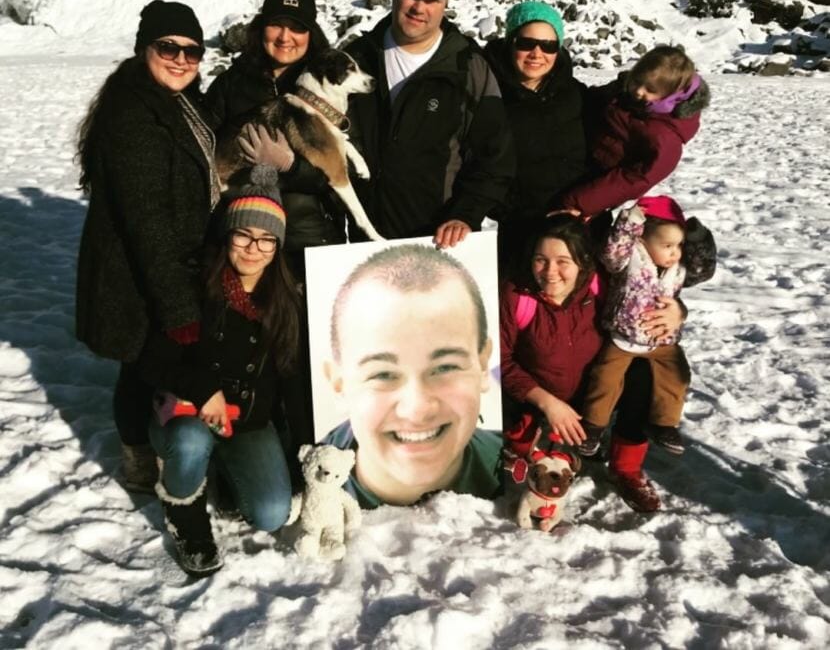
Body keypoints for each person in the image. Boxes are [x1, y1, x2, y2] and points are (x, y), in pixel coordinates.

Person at [75, 0, 218, 492]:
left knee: (145, 363)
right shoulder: (133, 116)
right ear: (144, 49)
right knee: (138, 366)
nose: (181, 59)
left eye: (192, 51)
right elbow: (147, 221)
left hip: (168, 261)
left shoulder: (179, 102)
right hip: (136, 269)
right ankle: (136, 453)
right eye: (168, 47)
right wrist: (180, 307)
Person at [139, 169, 300, 577]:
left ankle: (225, 473)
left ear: (277, 246)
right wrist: (204, 388)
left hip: (246, 421)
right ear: (228, 235)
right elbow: (152, 358)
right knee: (191, 443)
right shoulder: (196, 287)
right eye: (243, 235)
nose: (253, 248)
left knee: (270, 514)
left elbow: (290, 377)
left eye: (266, 239)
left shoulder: (284, 300)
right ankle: (186, 522)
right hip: (186, 413)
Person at [500, 215, 686, 513]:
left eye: (563, 261)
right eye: (540, 260)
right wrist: (547, 403)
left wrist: (678, 311)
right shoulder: (515, 293)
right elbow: (499, 361)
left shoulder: (604, 284)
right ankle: (521, 441)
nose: (550, 272)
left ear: (583, 263)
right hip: (536, 393)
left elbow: (659, 286)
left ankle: (626, 468)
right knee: (498, 391)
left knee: (642, 371)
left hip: (594, 392)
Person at [343, 0, 515, 247]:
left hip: (435, 243)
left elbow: (495, 158)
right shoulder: (356, 59)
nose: (419, 7)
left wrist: (465, 215)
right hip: (362, 244)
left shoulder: (467, 67)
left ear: (445, 3)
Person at [321, 243, 502, 508]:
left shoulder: (524, 473)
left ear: (483, 366)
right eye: (383, 374)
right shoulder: (302, 489)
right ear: (338, 382)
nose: (416, 410)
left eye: (445, 367)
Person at [204, 0, 344, 277]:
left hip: (307, 240)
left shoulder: (329, 85)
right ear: (261, 26)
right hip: (243, 242)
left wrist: (292, 168)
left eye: (297, 27)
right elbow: (205, 153)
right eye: (276, 25)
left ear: (311, 33)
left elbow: (340, 173)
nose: (285, 37)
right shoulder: (231, 84)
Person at [578, 196, 716, 458]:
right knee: (605, 379)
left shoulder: (678, 268)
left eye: (679, 245)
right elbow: (613, 253)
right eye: (667, 245)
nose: (675, 252)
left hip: (661, 341)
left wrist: (698, 238)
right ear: (642, 240)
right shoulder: (630, 260)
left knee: (676, 376)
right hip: (623, 337)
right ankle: (593, 425)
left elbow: (703, 269)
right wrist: (629, 222)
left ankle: (664, 423)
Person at [483, 0, 590, 269]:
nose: (537, 53)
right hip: (520, 236)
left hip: (580, 234)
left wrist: (589, 205)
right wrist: (509, 210)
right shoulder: (487, 96)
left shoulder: (577, 95)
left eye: (549, 45)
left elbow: (609, 152)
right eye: (526, 43)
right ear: (511, 42)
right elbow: (472, 163)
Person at [558, 45, 710, 220]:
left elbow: (634, 179)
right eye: (637, 81)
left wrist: (579, 203)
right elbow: (592, 100)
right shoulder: (622, 91)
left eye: (650, 90)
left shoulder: (664, 135)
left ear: (671, 96)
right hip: (576, 156)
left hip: (594, 184)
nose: (639, 91)